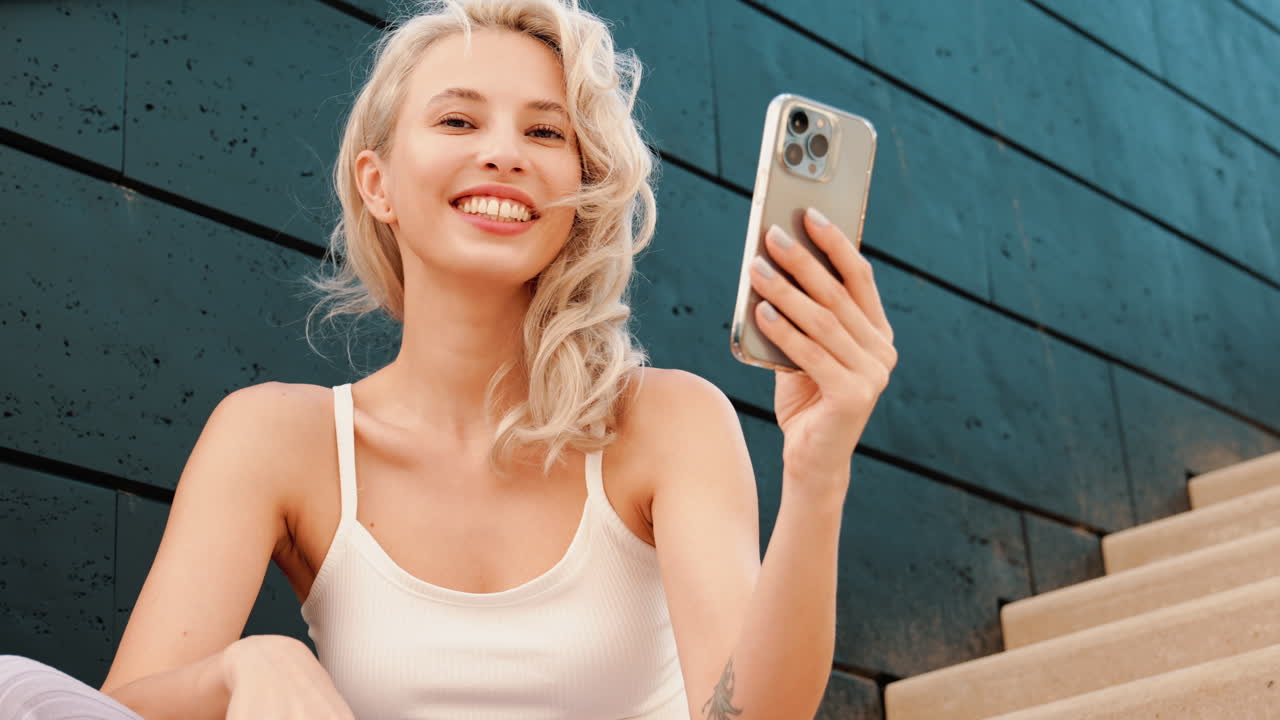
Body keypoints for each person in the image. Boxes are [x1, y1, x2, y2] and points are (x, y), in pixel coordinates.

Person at [1, 0, 897, 717]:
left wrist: (817, 473)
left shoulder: (666, 421)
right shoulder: (277, 438)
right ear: (378, 183)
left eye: (546, 134)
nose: (504, 153)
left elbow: (750, 718)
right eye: (459, 119)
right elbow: (106, 713)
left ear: (580, 195)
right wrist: (249, 668)